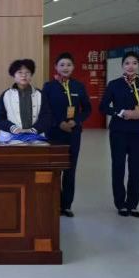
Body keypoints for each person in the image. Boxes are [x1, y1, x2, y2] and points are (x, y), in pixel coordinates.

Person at [99, 51, 139, 218]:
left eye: (134, 63)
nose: (131, 66)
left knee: (135, 168)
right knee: (118, 167)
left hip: (137, 132)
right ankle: (120, 204)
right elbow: (103, 106)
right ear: (122, 66)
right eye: (127, 63)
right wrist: (121, 112)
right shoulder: (114, 84)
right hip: (118, 132)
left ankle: (132, 204)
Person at [42, 53, 92, 217]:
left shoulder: (78, 86)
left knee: (70, 169)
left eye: (69, 65)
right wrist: (59, 123)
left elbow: (87, 109)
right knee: (55, 170)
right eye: (62, 65)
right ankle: (55, 203)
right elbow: (45, 109)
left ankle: (67, 205)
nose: (65, 68)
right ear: (56, 67)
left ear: (73, 67)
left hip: (73, 133)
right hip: (54, 133)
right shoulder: (49, 87)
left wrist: (75, 121)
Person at [0, 59, 50, 141]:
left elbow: (47, 117)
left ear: (31, 75)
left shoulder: (40, 94)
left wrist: (33, 130)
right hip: (10, 138)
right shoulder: (6, 95)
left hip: (35, 138)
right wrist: (13, 128)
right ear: (14, 75)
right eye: (20, 72)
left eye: (27, 72)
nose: (24, 75)